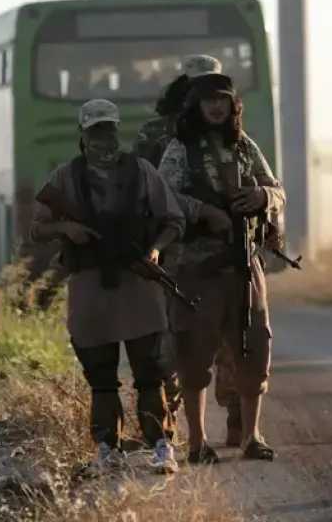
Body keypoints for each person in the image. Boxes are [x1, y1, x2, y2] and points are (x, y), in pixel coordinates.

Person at [29, 99, 183, 475]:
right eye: (96, 130)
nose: (104, 138)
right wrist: (67, 229)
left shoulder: (142, 171)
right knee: (100, 376)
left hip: (137, 282)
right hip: (90, 286)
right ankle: (106, 448)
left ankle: (161, 443)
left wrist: (155, 251)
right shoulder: (66, 177)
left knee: (150, 371)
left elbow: (173, 220)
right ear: (83, 135)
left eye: (109, 129)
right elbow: (38, 227)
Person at [158, 71, 285, 463]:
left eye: (223, 100)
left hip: (244, 267)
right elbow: (163, 197)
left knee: (253, 349)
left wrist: (261, 196)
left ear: (233, 105)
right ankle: (197, 443)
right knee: (193, 354)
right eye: (209, 100)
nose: (216, 107)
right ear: (196, 105)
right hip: (195, 269)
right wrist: (204, 211)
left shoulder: (244, 146)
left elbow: (277, 190)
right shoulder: (181, 149)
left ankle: (251, 437)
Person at [137, 54, 246, 446]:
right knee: (180, 339)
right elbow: (147, 192)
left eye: (217, 91)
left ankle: (237, 417)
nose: (212, 101)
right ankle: (172, 427)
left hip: (226, 253)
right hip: (177, 252)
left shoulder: (232, 136)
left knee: (237, 335)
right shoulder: (160, 135)